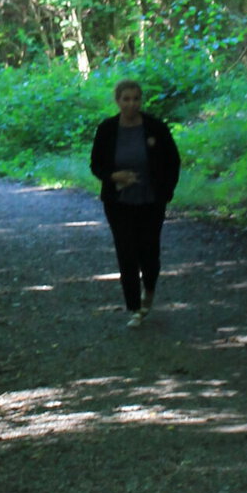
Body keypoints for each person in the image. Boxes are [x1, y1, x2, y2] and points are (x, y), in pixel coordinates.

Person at [90, 79, 181, 323]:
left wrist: (166, 192)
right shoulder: (107, 129)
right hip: (118, 202)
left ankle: (149, 289)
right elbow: (96, 164)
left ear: (141, 101)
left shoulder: (155, 127)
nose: (131, 104)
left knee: (149, 253)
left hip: (151, 201)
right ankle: (133, 308)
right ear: (117, 101)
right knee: (126, 252)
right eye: (126, 99)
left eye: (135, 99)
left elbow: (173, 161)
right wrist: (112, 176)